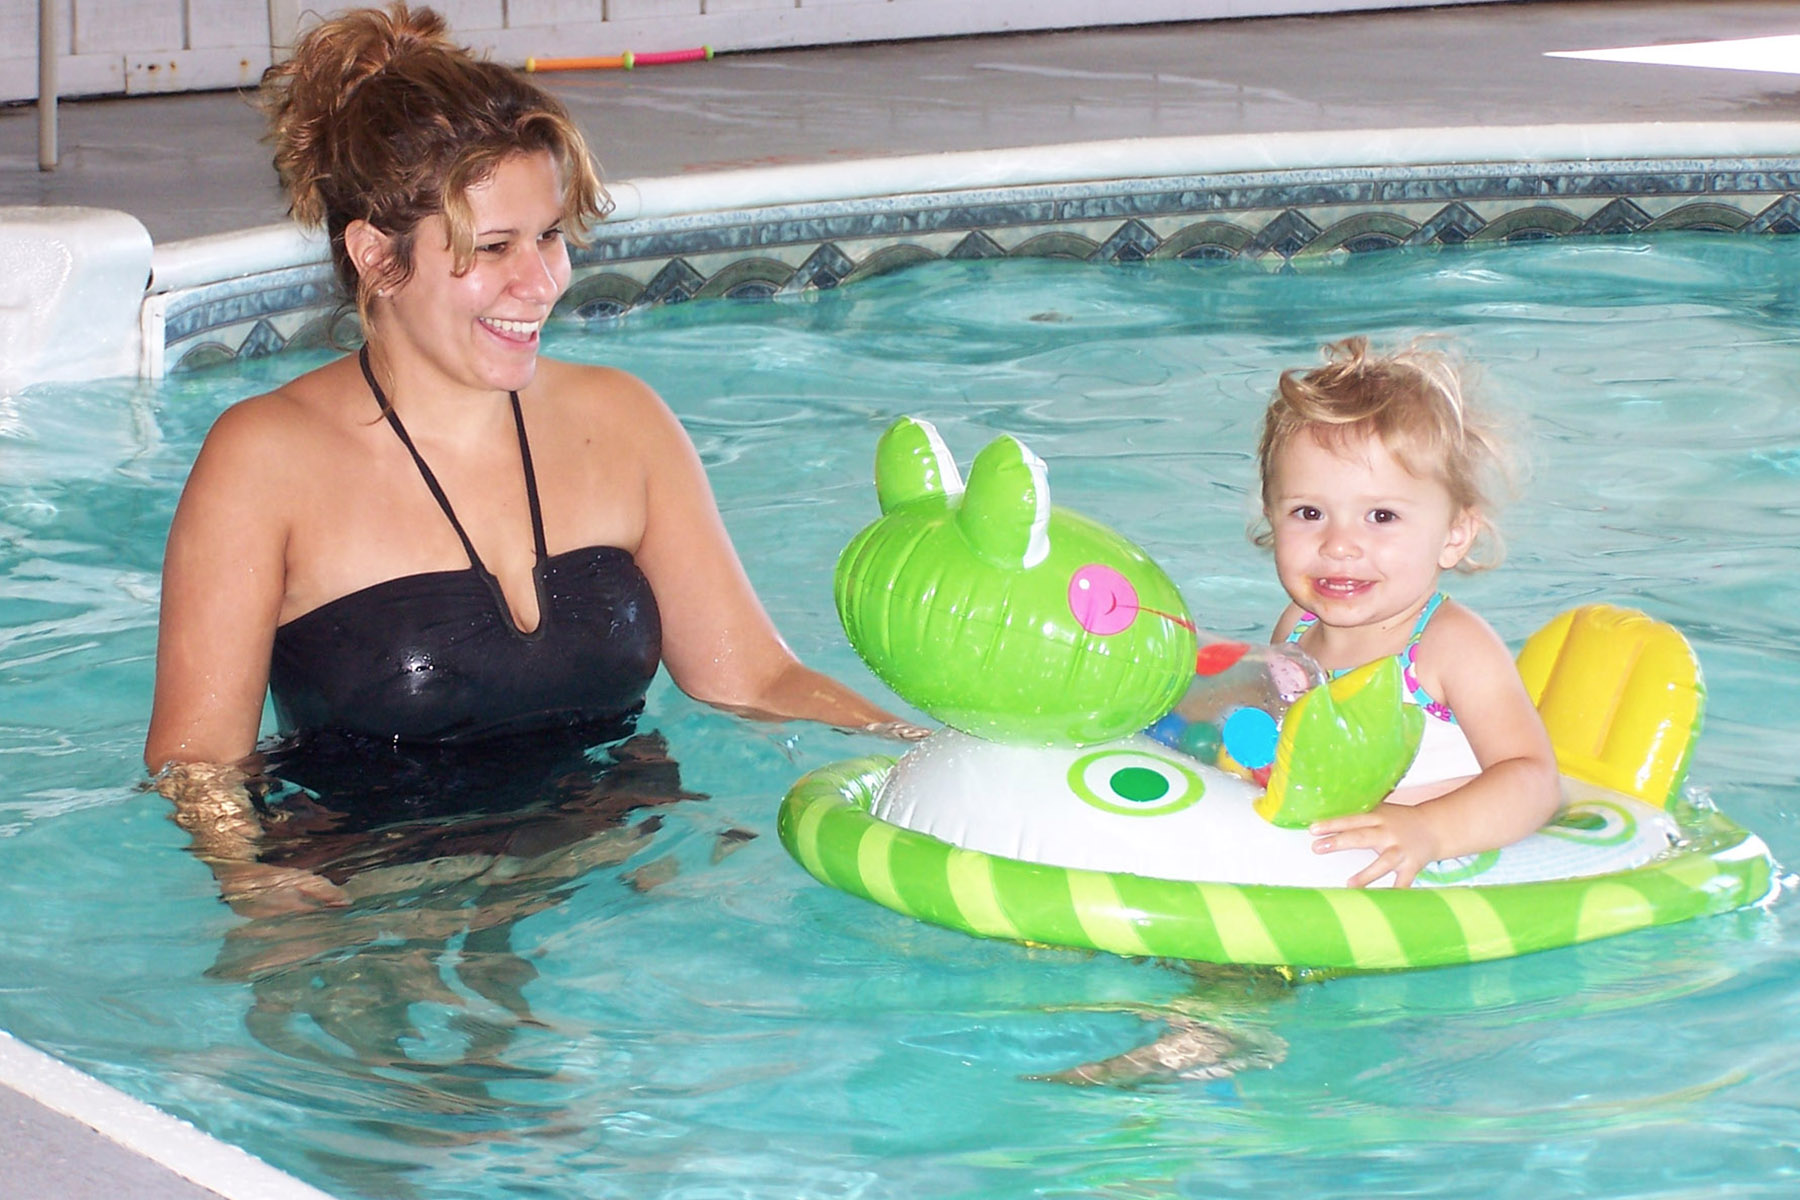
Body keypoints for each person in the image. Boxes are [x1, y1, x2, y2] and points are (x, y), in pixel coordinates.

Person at [145, 3, 908, 911]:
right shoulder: (263, 463)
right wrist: (252, 883)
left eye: (549, 236)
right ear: (377, 258)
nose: (541, 281)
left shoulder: (624, 424)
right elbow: (198, 765)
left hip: (621, 870)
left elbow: (755, 677)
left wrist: (923, 749)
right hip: (378, 902)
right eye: (494, 248)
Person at [1255, 336, 1560, 889]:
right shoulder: (1295, 629)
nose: (1339, 544)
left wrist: (1427, 829)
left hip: (1436, 870)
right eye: (1308, 512)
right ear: (1271, 518)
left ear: (1454, 536)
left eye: (1381, 516)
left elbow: (1533, 779)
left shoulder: (1449, 647)